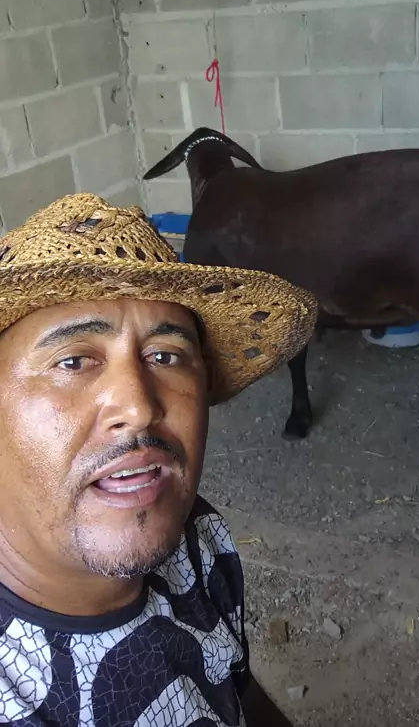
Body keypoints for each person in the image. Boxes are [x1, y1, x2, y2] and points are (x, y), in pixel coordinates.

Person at [0, 193, 317, 726]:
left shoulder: (199, 539)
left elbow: (233, 688)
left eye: (165, 356)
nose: (140, 407)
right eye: (73, 361)